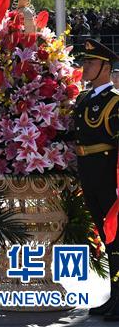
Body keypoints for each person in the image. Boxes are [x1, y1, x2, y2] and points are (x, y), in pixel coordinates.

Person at [75, 39, 119, 320]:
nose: (85, 67)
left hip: (108, 178)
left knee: (117, 240)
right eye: (85, 62)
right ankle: (114, 296)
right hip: (89, 176)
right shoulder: (83, 99)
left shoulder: (114, 102)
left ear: (105, 67)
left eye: (90, 63)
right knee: (106, 239)